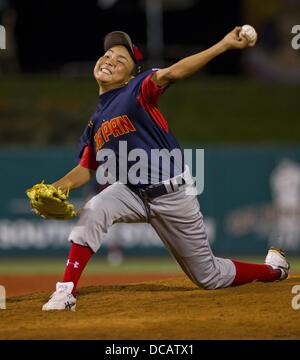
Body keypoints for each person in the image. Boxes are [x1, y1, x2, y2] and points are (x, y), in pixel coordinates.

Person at [42, 28, 290, 311]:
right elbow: (87, 167)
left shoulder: (138, 90)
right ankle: (65, 291)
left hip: (172, 194)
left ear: (131, 75)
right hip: (131, 192)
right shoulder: (95, 122)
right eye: (107, 54)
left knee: (208, 276)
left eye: (120, 60)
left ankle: (273, 271)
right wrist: (56, 187)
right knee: (96, 206)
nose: (110, 60)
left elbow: (172, 73)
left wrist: (222, 44)